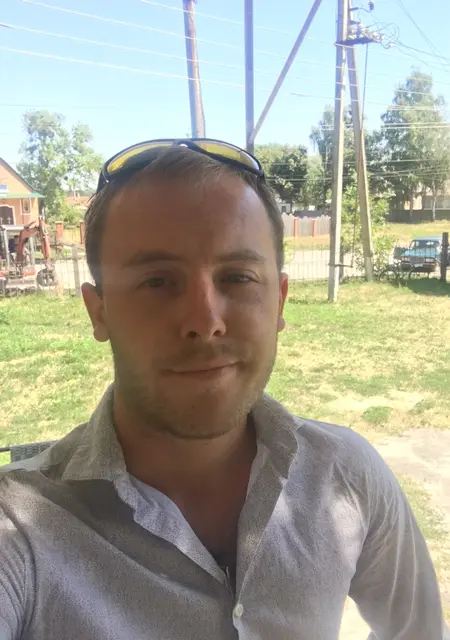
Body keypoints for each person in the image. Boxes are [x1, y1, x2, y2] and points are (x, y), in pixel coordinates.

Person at [0, 139, 448, 640]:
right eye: (157, 281)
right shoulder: (20, 528)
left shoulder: (347, 477)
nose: (205, 320)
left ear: (279, 302)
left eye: (237, 277)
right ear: (98, 311)